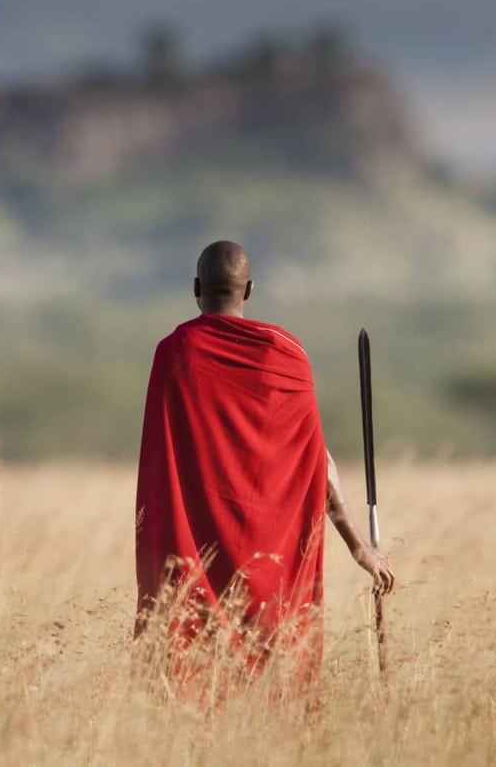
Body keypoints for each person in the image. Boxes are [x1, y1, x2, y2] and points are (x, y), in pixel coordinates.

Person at [133, 240, 393, 687]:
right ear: (249, 290)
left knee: (190, 689)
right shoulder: (284, 352)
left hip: (193, 561)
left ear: (196, 288)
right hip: (270, 569)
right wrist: (358, 547)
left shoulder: (173, 352)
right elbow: (318, 464)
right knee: (274, 690)